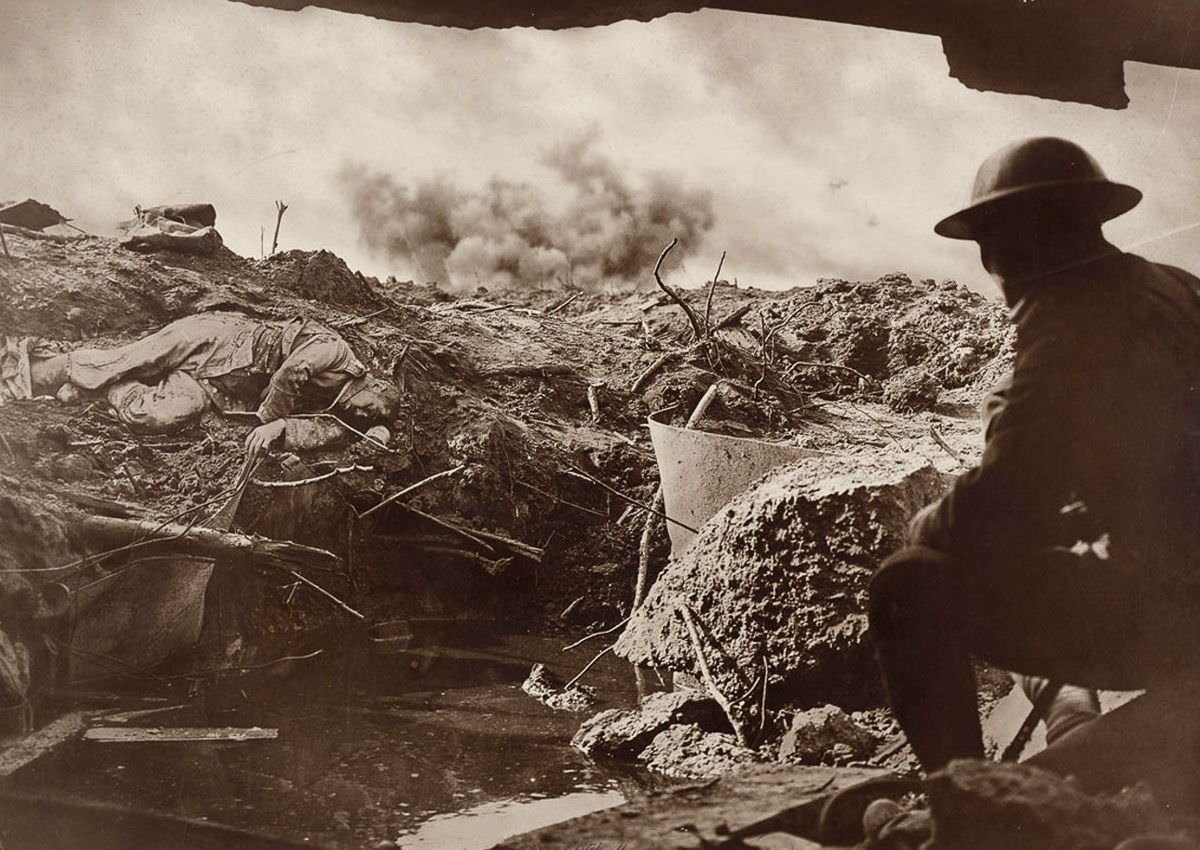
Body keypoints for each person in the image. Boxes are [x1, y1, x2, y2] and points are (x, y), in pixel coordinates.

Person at [867, 137, 1200, 800]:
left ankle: (964, 802)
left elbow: (1000, 503)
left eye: (994, 245)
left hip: (1172, 615)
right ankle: (1078, 720)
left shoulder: (1070, 319)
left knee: (909, 583)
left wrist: (927, 523)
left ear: (1011, 245)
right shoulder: (1178, 287)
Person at [26, 311, 401, 452]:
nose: (359, 412)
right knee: (130, 359)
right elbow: (291, 372)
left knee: (155, 417)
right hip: (221, 338)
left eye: (366, 417)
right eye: (369, 407)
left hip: (220, 386)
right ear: (376, 385)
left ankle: (98, 391)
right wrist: (270, 422)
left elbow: (332, 430)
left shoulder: (344, 409)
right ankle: (36, 373)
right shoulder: (337, 353)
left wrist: (378, 429)